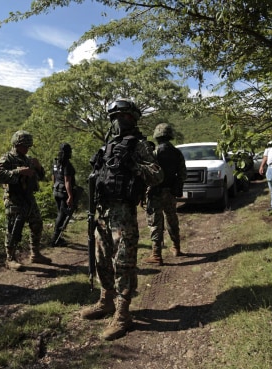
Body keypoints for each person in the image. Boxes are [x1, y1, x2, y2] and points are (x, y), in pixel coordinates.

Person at [81, 98, 164, 341]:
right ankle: (106, 301)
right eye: (113, 117)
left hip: (123, 214)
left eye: (121, 116)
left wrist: (134, 166)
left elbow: (158, 175)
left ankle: (123, 314)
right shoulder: (108, 146)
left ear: (131, 118)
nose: (116, 121)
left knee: (123, 263)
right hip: (103, 212)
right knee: (102, 260)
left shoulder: (138, 145)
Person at [0, 130, 52, 270]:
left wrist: (38, 167)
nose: (26, 149)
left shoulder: (29, 159)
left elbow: (42, 176)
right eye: (24, 146)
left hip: (28, 197)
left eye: (28, 146)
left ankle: (35, 254)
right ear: (16, 144)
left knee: (37, 223)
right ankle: (11, 259)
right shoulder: (7, 158)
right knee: (13, 228)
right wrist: (17, 172)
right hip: (14, 198)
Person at [143, 123, 187, 265]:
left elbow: (148, 174)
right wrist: (177, 187)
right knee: (172, 219)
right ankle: (176, 247)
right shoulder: (177, 153)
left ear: (156, 136)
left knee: (155, 222)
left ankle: (156, 254)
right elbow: (182, 173)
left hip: (155, 192)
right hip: (170, 192)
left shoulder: (154, 153)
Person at [50, 143, 77, 246]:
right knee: (62, 215)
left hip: (56, 190)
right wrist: (70, 196)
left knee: (60, 214)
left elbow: (53, 176)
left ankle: (57, 237)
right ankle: (55, 239)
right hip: (64, 193)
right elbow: (67, 181)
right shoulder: (66, 164)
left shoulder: (56, 162)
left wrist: (54, 187)